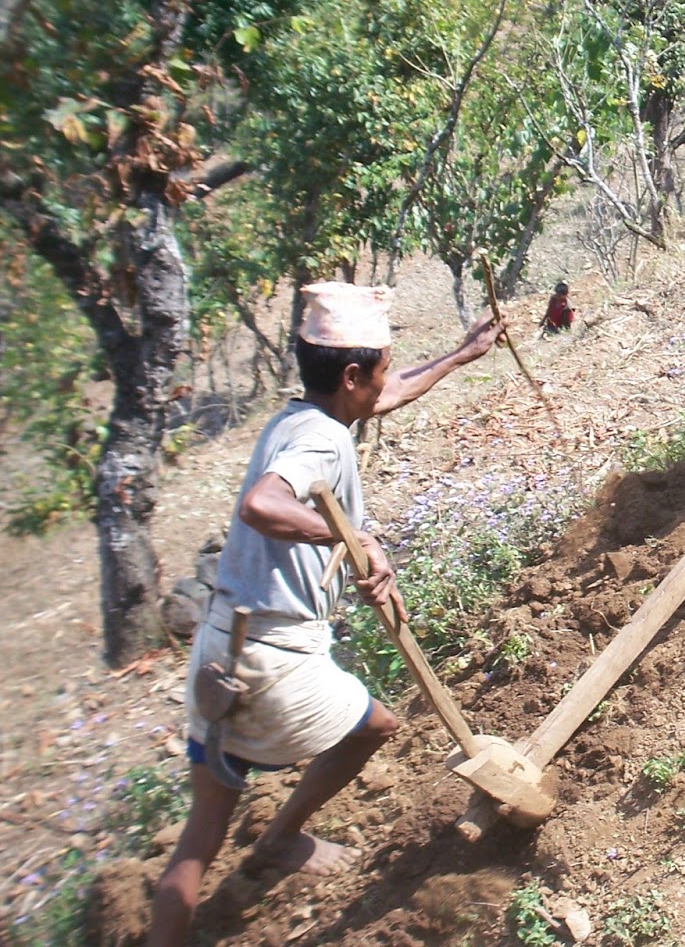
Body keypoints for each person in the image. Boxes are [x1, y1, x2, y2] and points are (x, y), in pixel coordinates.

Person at [148, 282, 503, 946]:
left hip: (221, 644)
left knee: (198, 839)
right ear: (350, 374)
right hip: (274, 656)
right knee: (374, 727)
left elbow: (387, 398)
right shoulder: (320, 442)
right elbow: (262, 503)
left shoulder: (302, 417)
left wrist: (460, 355)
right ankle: (282, 839)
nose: (389, 379)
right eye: (383, 366)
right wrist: (352, 538)